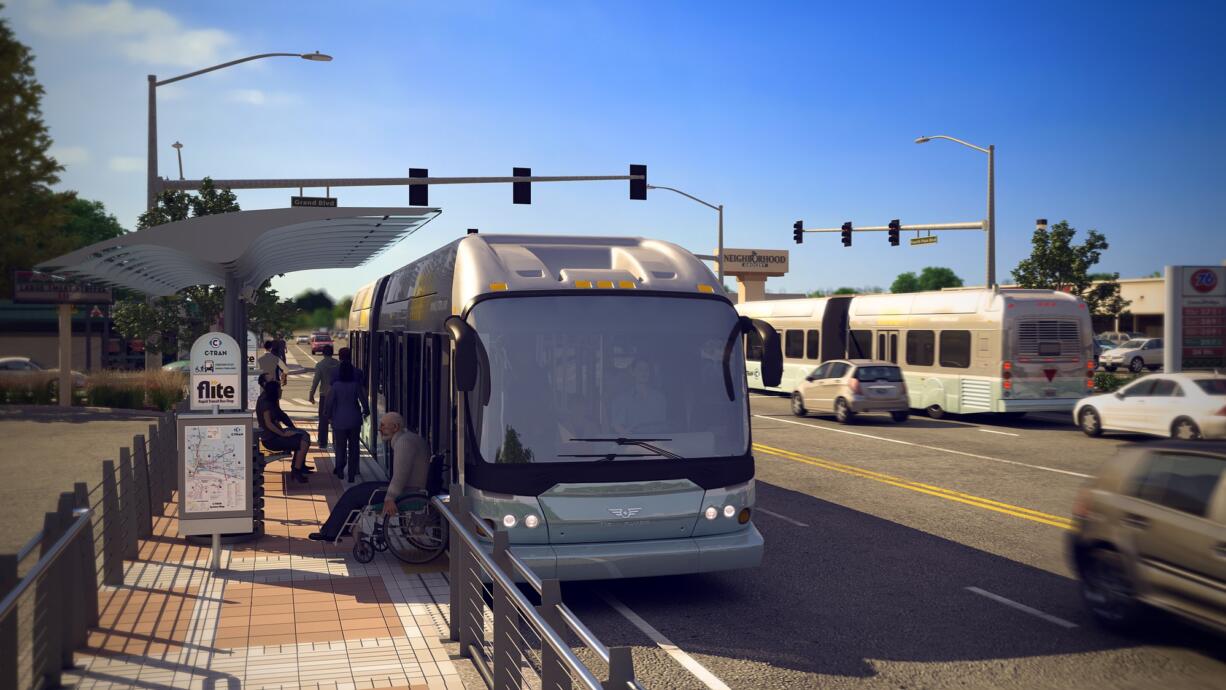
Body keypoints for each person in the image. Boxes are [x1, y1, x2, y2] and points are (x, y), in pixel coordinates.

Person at [308, 412, 429, 541]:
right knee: (356, 491)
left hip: (407, 491)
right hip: (410, 489)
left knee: (354, 494)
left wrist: (390, 498)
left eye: (383, 426)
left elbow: (400, 475)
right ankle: (337, 529)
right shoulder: (407, 438)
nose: (379, 429)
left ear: (395, 427)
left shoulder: (404, 443)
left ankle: (332, 532)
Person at [256, 380, 312, 482]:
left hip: (276, 434)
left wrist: (292, 427)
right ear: (274, 391)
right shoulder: (266, 403)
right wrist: (283, 434)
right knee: (303, 440)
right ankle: (296, 471)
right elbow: (268, 423)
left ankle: (299, 466)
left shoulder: (270, 400)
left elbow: (281, 415)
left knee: (304, 435)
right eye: (279, 389)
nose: (281, 390)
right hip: (271, 439)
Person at [325, 361, 368, 482]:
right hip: (354, 420)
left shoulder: (336, 386)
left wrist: (327, 415)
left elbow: (329, 402)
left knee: (340, 446)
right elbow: (363, 400)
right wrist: (366, 410)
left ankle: (340, 469)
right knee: (354, 447)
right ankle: (351, 474)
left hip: (339, 420)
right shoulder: (355, 385)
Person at [610, 360, 667, 433]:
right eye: (640, 369)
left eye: (647, 370)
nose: (644, 372)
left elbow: (662, 426)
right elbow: (618, 426)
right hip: (633, 442)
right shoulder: (622, 399)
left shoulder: (660, 398)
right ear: (633, 372)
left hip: (657, 442)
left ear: (650, 373)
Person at [308, 344, 339, 450]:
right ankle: (336, 441)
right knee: (335, 418)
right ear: (332, 352)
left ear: (323, 353)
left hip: (324, 396)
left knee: (323, 420)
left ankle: (322, 442)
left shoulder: (320, 365)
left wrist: (311, 395)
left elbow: (315, 381)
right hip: (336, 396)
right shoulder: (338, 364)